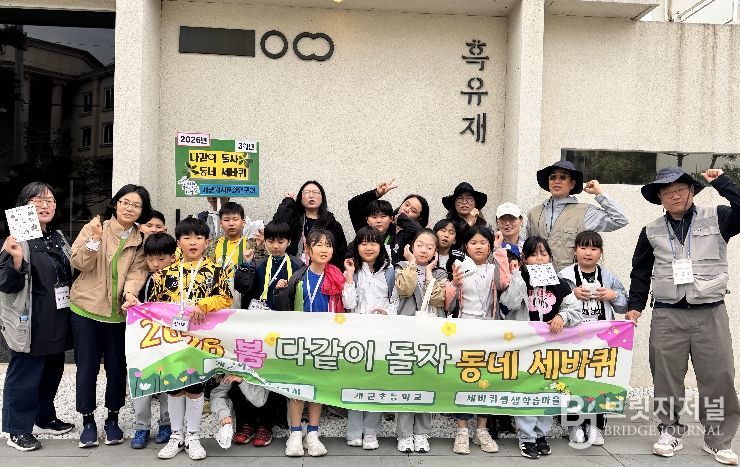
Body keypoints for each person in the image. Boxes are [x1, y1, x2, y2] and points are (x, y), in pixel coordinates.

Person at [626, 167, 740, 465]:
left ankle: (718, 439)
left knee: (719, 377)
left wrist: (723, 183)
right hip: (667, 313)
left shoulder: (719, 217)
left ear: (691, 191)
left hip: (710, 312)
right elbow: (640, 272)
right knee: (665, 377)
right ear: (659, 198)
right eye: (667, 192)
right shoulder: (651, 230)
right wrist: (635, 305)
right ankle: (670, 431)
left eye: (679, 189)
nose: (674, 195)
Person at [69, 184, 151, 448]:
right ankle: (88, 421)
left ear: (142, 211)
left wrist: (130, 294)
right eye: (125, 202)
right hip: (87, 310)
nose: (129, 208)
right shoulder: (96, 227)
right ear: (115, 203)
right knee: (87, 368)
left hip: (119, 314)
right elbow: (78, 263)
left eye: (136, 205)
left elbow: (137, 272)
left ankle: (113, 419)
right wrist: (93, 241)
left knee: (117, 369)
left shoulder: (140, 239)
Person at [149, 217, 233, 460]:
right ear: (178, 242)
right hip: (172, 338)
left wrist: (204, 304)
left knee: (196, 387)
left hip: (201, 338)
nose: (193, 242)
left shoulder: (216, 271)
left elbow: (226, 299)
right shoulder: (165, 274)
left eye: (198, 237)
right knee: (175, 387)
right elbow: (154, 305)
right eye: (187, 238)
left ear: (207, 242)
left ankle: (193, 436)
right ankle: (176, 435)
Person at [0, 182, 74, 452]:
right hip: (31, 320)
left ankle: (44, 418)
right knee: (25, 375)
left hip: (57, 317)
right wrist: (16, 260)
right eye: (37, 201)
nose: (45, 205)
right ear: (24, 206)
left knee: (52, 371)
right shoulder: (16, 240)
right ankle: (17, 429)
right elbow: (6, 283)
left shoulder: (57, 237)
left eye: (50, 200)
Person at [498, 236, 582, 459]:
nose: (539, 259)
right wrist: (517, 275)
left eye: (544, 254)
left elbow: (575, 310)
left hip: (551, 350)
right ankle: (526, 437)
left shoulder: (561, 285)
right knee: (526, 390)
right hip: (525, 348)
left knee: (548, 389)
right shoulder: (519, 279)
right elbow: (509, 303)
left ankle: (540, 434)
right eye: (533, 255)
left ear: (550, 258)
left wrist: (563, 317)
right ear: (525, 259)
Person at [273, 228, 347, 457]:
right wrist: (280, 292)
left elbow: (347, 305)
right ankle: (295, 433)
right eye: (319, 244)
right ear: (308, 249)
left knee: (318, 386)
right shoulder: (298, 276)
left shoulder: (337, 276)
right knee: (297, 386)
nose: (324, 249)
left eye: (328, 245)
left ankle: (313, 433)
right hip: (299, 339)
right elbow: (282, 309)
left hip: (325, 340)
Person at [559, 230, 627, 447]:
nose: (588, 253)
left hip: (601, 339)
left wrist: (613, 295)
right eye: (583, 247)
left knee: (599, 380)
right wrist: (571, 294)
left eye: (593, 248)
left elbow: (624, 305)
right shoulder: (564, 275)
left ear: (601, 252)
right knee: (572, 381)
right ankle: (574, 426)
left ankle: (596, 426)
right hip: (573, 337)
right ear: (575, 251)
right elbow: (554, 302)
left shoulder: (608, 276)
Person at [444, 225, 502, 455]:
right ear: (465, 246)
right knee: (464, 378)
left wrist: (500, 253)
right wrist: (453, 284)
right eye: (473, 243)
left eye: (483, 243)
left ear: (490, 246)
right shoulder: (459, 266)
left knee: (487, 378)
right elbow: (448, 303)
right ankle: (461, 430)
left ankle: (481, 429)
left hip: (490, 329)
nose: (478, 247)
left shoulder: (495, 267)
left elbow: (506, 287)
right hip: (464, 328)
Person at [341, 226, 399, 450]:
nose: (368, 247)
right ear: (357, 246)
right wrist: (348, 275)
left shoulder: (390, 272)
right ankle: (354, 431)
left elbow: (395, 302)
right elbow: (348, 304)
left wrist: (387, 313)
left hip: (381, 336)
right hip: (357, 335)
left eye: (373, 242)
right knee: (355, 382)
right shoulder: (353, 271)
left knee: (376, 382)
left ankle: (371, 431)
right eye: (363, 243)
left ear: (381, 246)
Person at [394, 229, 448, 454]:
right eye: (420, 245)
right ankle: (404, 434)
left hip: (431, 336)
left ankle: (422, 433)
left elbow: (438, 298)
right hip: (406, 334)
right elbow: (405, 289)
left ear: (435, 251)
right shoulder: (401, 267)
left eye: (429, 246)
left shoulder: (441, 273)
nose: (424, 250)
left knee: (427, 382)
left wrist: (428, 273)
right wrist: (412, 264)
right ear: (411, 247)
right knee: (406, 383)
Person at [526, 161, 628, 271]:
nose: (557, 181)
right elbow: (527, 247)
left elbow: (620, 220)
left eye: (563, 177)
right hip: (537, 277)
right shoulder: (534, 213)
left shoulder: (585, 212)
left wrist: (599, 193)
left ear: (572, 184)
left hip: (569, 279)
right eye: (553, 177)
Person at [125, 232, 177, 449]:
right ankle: (141, 426)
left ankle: (167, 423)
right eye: (150, 259)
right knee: (141, 379)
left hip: (169, 340)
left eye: (161, 259)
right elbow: (130, 300)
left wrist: (164, 286)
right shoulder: (141, 279)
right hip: (143, 339)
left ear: (173, 257)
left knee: (168, 381)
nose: (155, 264)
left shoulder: (179, 278)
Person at [346, 179, 430, 263]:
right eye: (406, 204)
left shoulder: (409, 235)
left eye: (413, 211)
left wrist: (400, 217)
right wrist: (376, 193)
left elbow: (418, 231)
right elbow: (353, 205)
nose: (407, 209)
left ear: (419, 219)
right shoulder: (371, 227)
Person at [273, 181, 347, 269]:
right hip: (292, 271)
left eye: (315, 192)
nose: (311, 196)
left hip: (322, 272)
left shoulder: (332, 225)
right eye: (307, 192)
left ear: (322, 198)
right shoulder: (293, 220)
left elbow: (341, 254)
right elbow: (277, 225)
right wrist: (288, 201)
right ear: (300, 197)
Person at [234, 221, 302, 310]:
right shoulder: (257, 264)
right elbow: (242, 287)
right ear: (265, 241)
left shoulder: (298, 265)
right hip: (261, 315)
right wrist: (246, 264)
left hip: (286, 314)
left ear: (289, 242)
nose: (275, 246)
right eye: (270, 241)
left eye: (280, 242)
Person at [213, 201, 264, 308]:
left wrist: (262, 247)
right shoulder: (213, 245)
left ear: (243, 222)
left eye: (235, 219)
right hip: (217, 295)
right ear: (220, 224)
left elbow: (261, 270)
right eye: (226, 220)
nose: (231, 223)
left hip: (244, 294)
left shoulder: (251, 244)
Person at [210, 374, 271, 449]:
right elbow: (218, 394)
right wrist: (224, 415)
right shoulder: (231, 371)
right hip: (244, 407)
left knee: (272, 386)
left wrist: (242, 381)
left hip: (264, 398)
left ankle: (265, 425)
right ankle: (247, 423)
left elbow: (260, 401)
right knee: (234, 383)